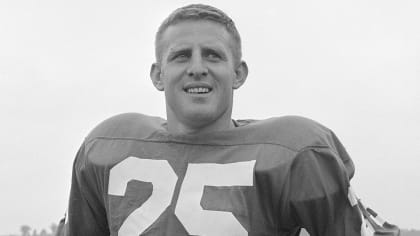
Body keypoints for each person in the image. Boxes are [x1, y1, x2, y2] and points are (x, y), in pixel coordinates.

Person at [62, 4, 400, 236]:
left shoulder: (295, 151)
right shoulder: (106, 147)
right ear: (158, 75)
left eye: (213, 54)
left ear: (238, 74)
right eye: (181, 56)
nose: (197, 67)